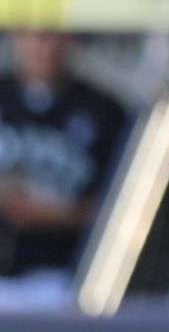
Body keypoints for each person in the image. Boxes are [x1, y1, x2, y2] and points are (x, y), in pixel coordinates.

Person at [0, 32, 128, 310]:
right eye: (34, 36)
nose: (43, 47)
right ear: (16, 37)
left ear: (69, 39)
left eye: (52, 36)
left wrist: (53, 214)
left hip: (63, 279)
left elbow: (124, 207)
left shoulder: (103, 112)